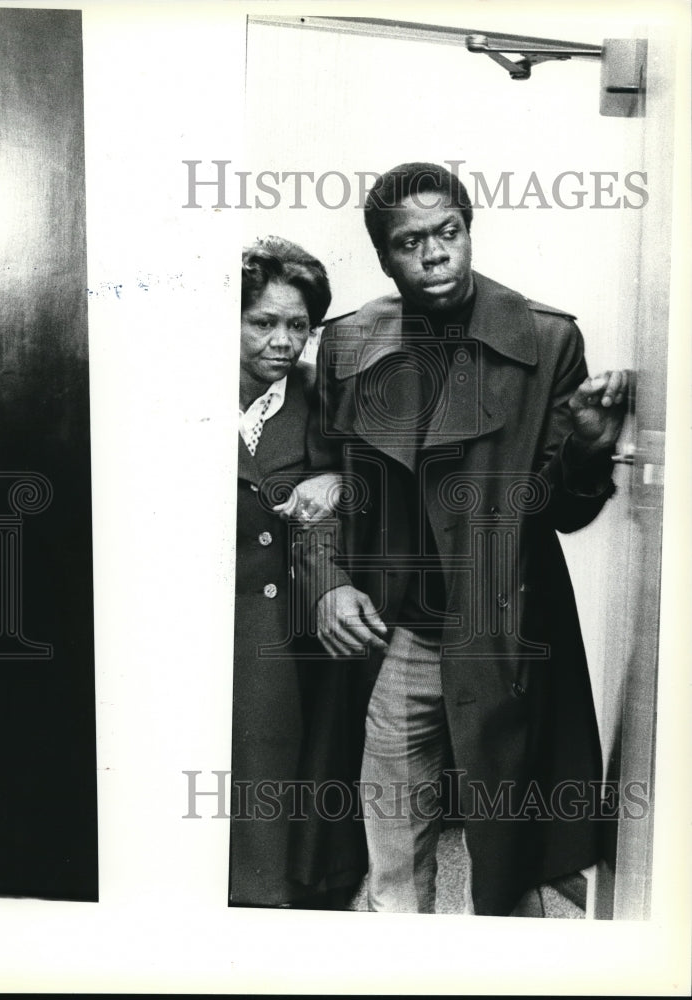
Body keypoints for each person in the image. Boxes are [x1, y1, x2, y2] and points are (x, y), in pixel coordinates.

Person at [298, 163, 629, 917]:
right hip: (397, 636)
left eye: (447, 232)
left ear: (468, 231)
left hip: (504, 637)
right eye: (409, 241)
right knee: (392, 860)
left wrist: (586, 447)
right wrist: (326, 583)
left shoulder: (545, 340)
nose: (434, 254)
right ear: (383, 255)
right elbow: (319, 489)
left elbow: (561, 513)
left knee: (510, 863)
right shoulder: (348, 343)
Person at [230, 236, 367, 908]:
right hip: (210, 622)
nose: (282, 341)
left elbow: (377, 473)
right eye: (262, 322)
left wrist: (339, 479)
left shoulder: (322, 393)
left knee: (287, 778)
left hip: (293, 625)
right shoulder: (177, 390)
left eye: (297, 326)